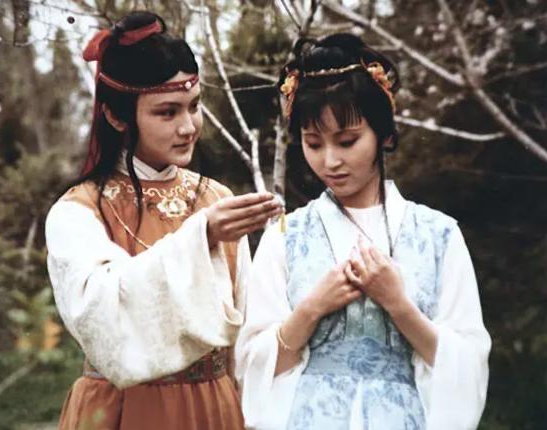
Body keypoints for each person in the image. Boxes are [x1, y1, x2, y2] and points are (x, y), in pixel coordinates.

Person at [235, 34, 491, 430]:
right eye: (313, 143)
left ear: (384, 134)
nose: (330, 161)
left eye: (347, 141)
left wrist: (399, 305)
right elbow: (251, 366)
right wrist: (312, 308)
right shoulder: (285, 236)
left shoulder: (439, 236)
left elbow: (468, 367)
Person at [45, 11, 282, 430]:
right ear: (117, 116)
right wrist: (201, 236)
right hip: (123, 411)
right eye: (167, 112)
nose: (188, 127)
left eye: (195, 106)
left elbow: (246, 333)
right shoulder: (78, 211)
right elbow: (104, 319)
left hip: (214, 408)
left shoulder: (217, 200)